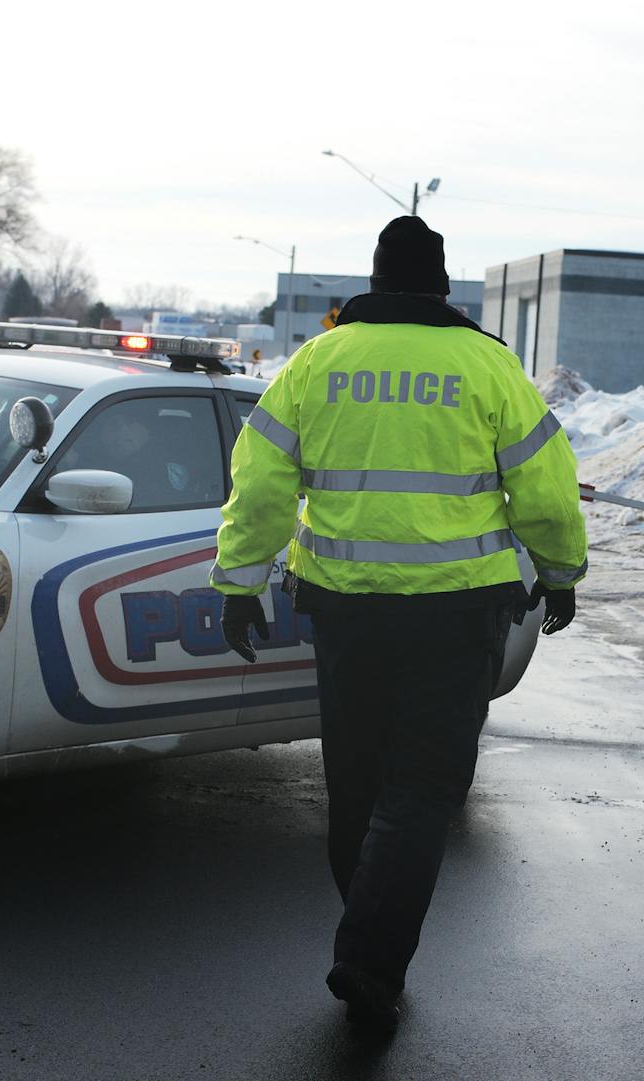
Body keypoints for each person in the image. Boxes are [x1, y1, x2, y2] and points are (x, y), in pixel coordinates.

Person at [208, 216, 588, 1032]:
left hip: (346, 610)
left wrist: (241, 584)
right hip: (456, 616)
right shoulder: (488, 365)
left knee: (356, 780)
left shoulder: (317, 363)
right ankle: (371, 962)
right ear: (442, 287)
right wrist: (559, 574)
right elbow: (549, 490)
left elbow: (262, 480)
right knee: (422, 788)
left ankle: (367, 934)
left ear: (375, 284)